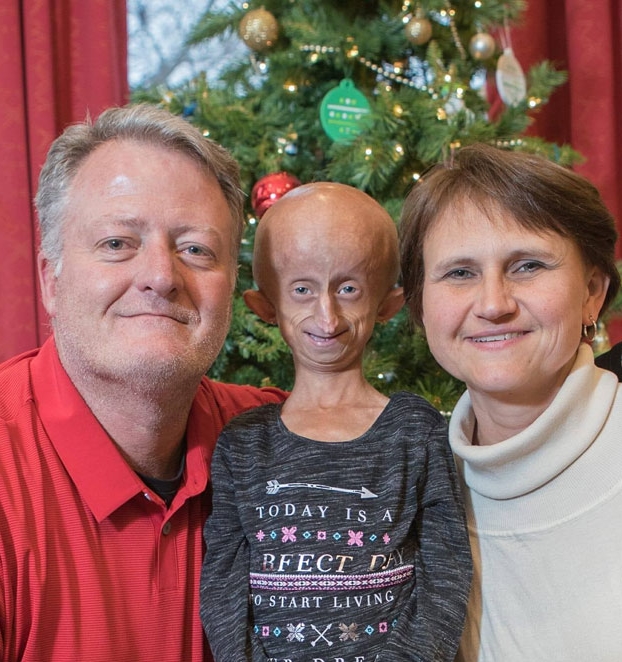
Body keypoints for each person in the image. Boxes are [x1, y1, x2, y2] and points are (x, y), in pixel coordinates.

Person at [0, 104, 287, 662]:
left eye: (196, 249)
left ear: (232, 287)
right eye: (117, 243)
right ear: (51, 281)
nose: (160, 276)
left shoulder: (283, 441)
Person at [200, 182, 472, 662]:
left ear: (386, 304)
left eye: (348, 289)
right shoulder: (243, 444)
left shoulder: (415, 430)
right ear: (266, 306)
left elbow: (445, 574)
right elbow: (223, 584)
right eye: (302, 290)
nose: (327, 316)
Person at [399, 142, 622, 661]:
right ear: (420, 307)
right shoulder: (407, 491)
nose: (494, 304)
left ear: (591, 292)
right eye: (459, 273)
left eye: (527, 265)